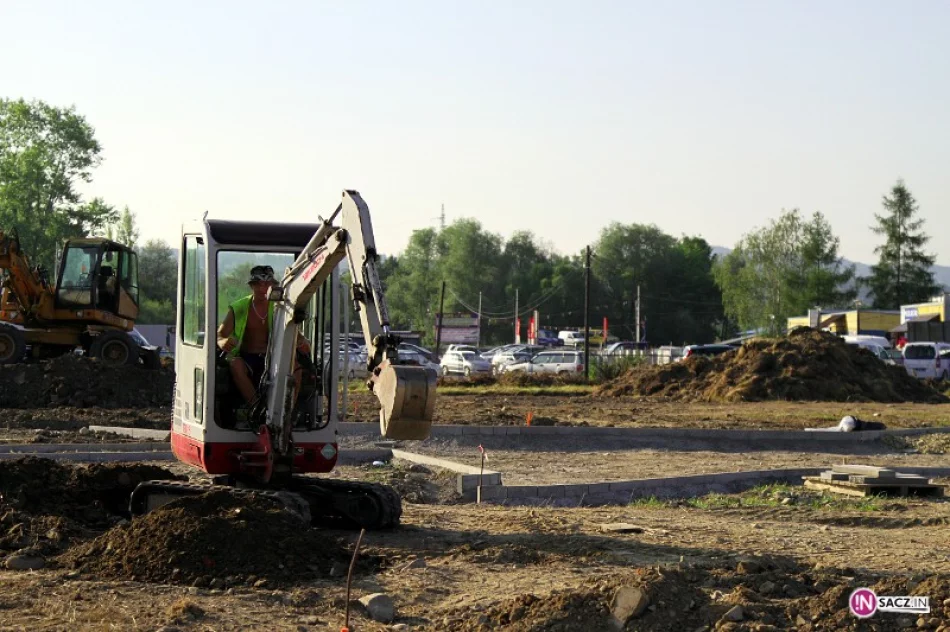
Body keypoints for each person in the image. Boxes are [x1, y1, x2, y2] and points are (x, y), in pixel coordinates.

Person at [217, 265, 310, 405]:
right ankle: (256, 409)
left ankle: (287, 410)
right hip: (248, 358)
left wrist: (303, 342)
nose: (262, 289)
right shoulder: (239, 307)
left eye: (267, 284)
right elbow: (220, 335)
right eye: (258, 285)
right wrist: (222, 341)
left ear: (273, 286)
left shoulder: (280, 307)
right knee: (235, 365)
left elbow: (296, 333)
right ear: (251, 286)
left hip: (274, 358)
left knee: (296, 367)